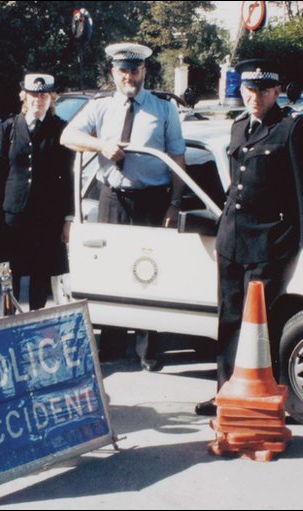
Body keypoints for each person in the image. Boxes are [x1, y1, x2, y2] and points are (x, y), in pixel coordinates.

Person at [195, 59, 303, 416]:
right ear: (242, 92)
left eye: (264, 91)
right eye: (250, 90)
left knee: (260, 325)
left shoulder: (292, 128)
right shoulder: (239, 126)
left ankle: (262, 399)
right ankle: (225, 392)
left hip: (270, 242)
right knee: (230, 318)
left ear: (277, 92)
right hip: (233, 241)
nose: (256, 97)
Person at [60, 42, 187, 372]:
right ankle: (113, 346)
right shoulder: (100, 107)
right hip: (113, 197)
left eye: (135, 70)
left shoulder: (163, 109)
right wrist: (101, 144)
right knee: (112, 272)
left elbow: (177, 159)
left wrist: (174, 203)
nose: (129, 76)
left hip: (152, 199)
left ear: (144, 71)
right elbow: (68, 136)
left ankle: (149, 349)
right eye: (123, 70)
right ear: (113, 73)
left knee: (150, 274)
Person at [0, 74, 73, 310]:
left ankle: (36, 321)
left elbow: (67, 177)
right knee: (9, 274)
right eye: (34, 94)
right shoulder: (10, 127)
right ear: (25, 96)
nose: (38, 99)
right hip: (13, 215)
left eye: (44, 95)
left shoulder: (60, 129)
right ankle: (9, 321)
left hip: (46, 218)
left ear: (51, 98)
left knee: (41, 275)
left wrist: (68, 218)